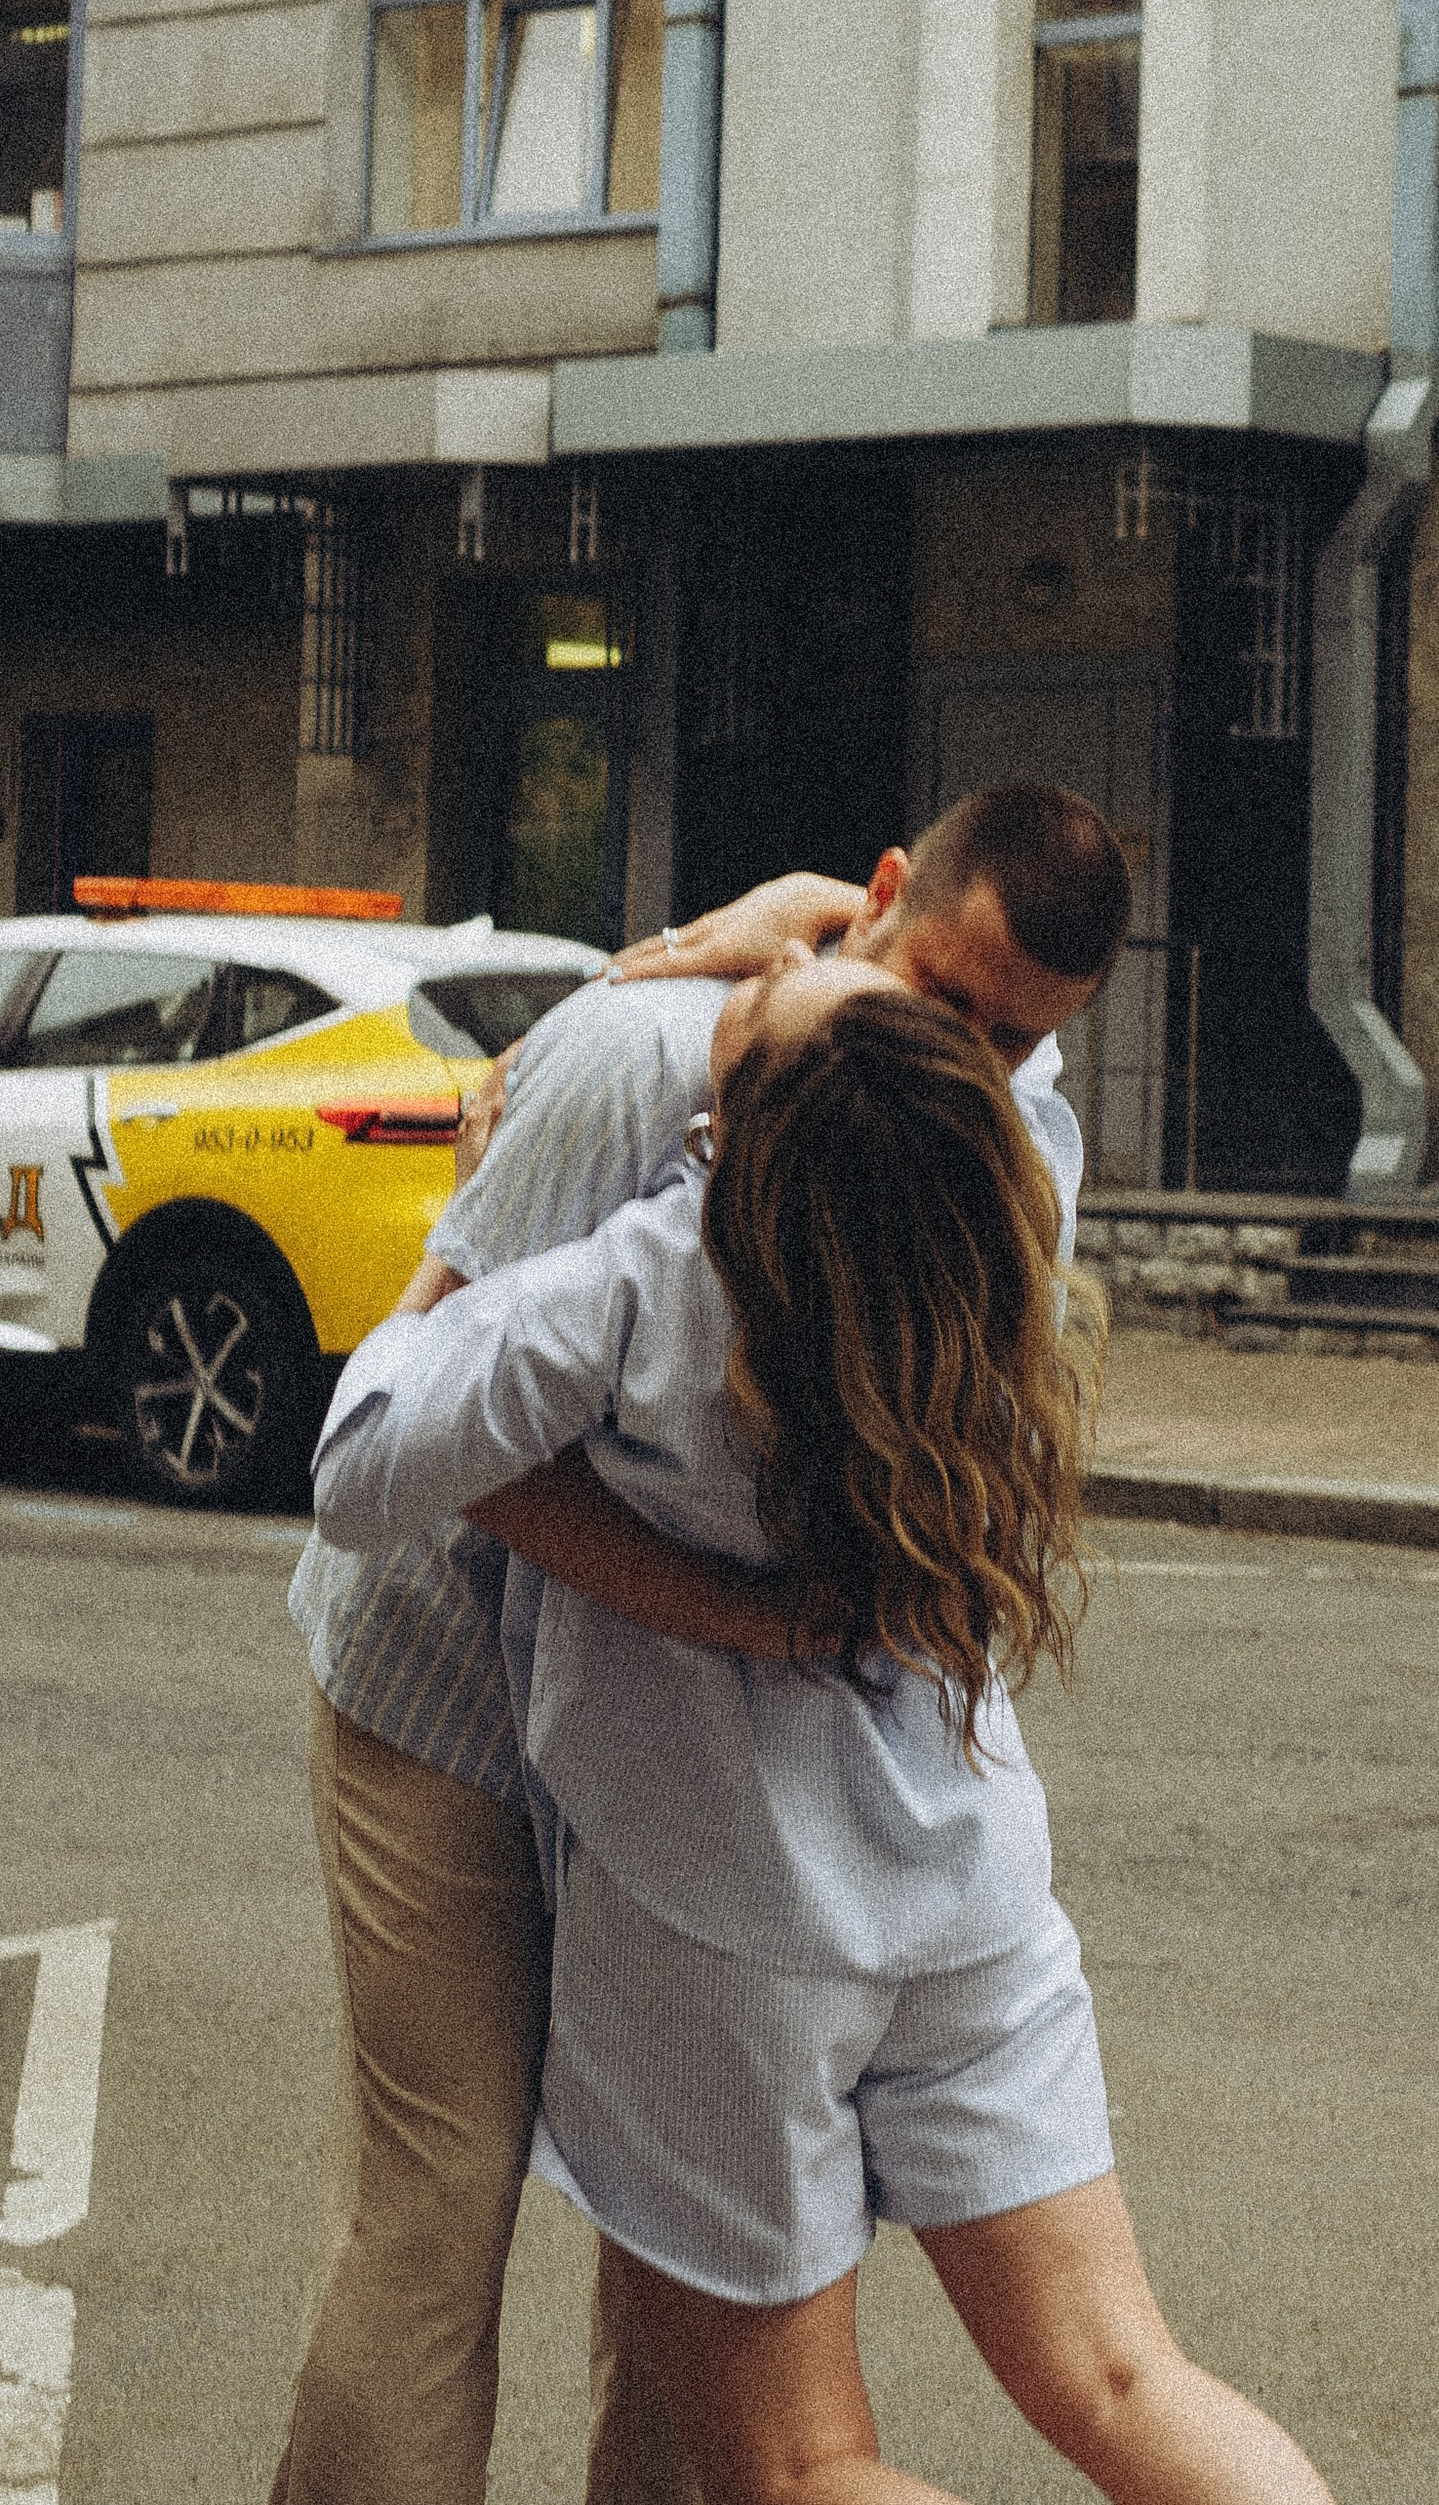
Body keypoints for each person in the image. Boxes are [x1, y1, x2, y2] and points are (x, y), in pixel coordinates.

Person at [312, 959, 1335, 2505]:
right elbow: (993, 1092)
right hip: (967, 1898)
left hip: (726, 1930)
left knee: (803, 2468)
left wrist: (453, 1264)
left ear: (734, 1138)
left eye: (762, 1027)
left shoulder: (643, 1291)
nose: (774, 980)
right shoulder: (998, 1273)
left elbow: (363, 1464)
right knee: (1130, 2381)